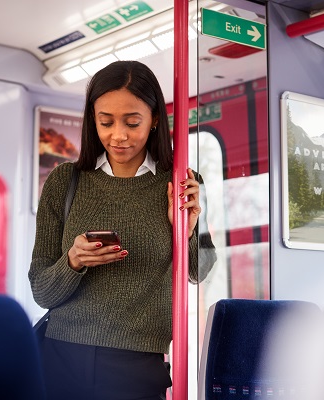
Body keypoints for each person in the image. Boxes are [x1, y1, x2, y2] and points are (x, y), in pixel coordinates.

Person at [29, 60, 217, 400]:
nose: (118, 135)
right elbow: (42, 291)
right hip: (61, 354)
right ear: (92, 121)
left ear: (155, 119)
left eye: (132, 122)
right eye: (105, 122)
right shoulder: (64, 181)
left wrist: (186, 231)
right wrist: (72, 261)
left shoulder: (180, 182)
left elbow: (201, 269)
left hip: (138, 363)